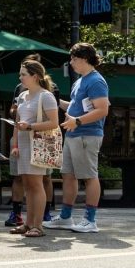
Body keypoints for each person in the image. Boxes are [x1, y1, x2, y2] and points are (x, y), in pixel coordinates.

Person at [47, 43, 109, 233]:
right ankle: (66, 217)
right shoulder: (81, 81)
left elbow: (102, 109)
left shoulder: (96, 81)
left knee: (89, 176)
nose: (71, 62)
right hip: (74, 133)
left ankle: (90, 221)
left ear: (84, 59)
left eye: (74, 58)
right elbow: (75, 106)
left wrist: (78, 122)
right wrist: (55, 101)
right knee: (69, 175)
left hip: (86, 134)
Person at [8, 58, 60, 237]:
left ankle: (38, 225)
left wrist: (30, 127)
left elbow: (54, 123)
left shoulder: (46, 96)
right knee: (28, 185)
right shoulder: (23, 95)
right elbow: (16, 123)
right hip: (23, 143)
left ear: (35, 76)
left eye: (23, 74)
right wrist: (15, 145)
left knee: (36, 185)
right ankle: (29, 223)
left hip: (37, 144)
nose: (20, 78)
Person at [5, 82, 26, 228]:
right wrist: (16, 111)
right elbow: (13, 113)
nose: (20, 77)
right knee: (17, 176)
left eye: (24, 74)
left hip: (38, 138)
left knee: (40, 179)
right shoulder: (20, 89)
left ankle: (42, 214)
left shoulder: (49, 89)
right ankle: (16, 214)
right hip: (19, 134)